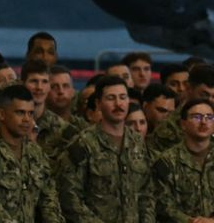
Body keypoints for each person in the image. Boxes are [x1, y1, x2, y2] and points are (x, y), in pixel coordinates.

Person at [56, 76, 152, 222]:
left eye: (122, 97)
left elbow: (146, 193)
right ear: (98, 104)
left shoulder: (137, 142)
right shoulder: (83, 144)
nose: (118, 104)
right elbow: (69, 197)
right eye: (111, 98)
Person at [0, 85, 64, 223]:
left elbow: (49, 198)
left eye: (30, 113)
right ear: (2, 114)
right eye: (20, 113)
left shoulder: (36, 153)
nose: (27, 119)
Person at [151, 99, 214, 223]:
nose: (203, 122)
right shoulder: (167, 161)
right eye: (196, 117)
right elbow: (162, 204)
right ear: (183, 124)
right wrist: (190, 221)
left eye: (209, 117)